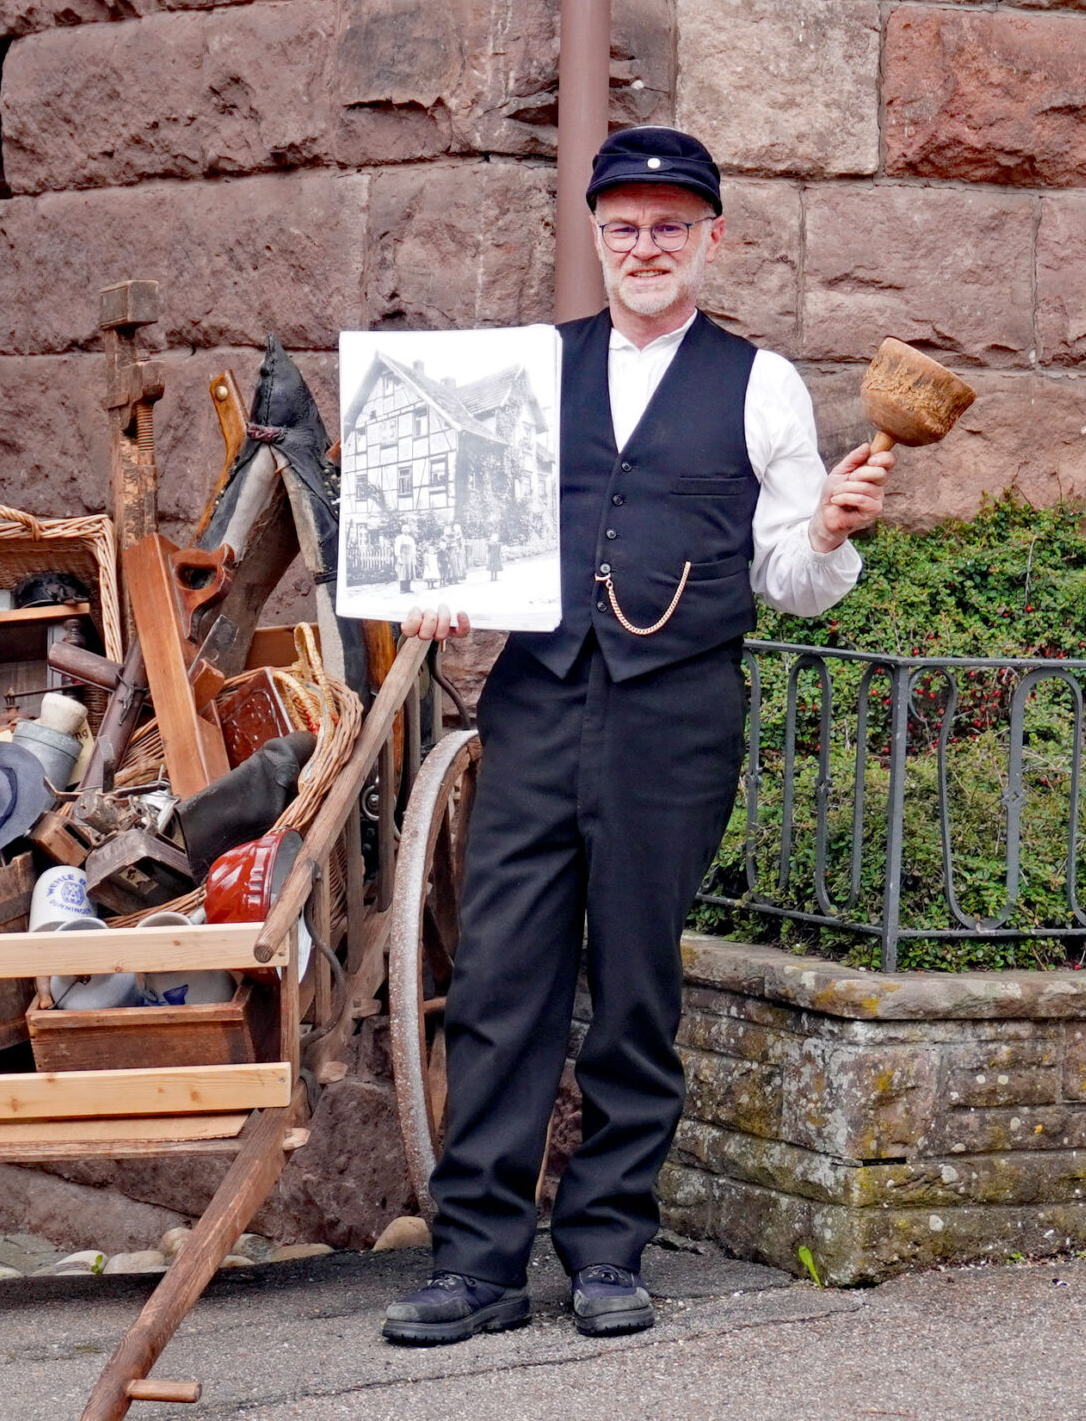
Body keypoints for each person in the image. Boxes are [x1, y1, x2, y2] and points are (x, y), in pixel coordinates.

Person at [381, 127, 892, 1347]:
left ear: (710, 239)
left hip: (675, 715)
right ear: (596, 237)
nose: (646, 245)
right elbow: (455, 534)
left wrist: (826, 526)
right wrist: (434, 583)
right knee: (501, 979)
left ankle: (609, 1247)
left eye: (672, 225)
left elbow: (787, 576)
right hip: (539, 701)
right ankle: (479, 1264)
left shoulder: (758, 383)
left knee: (632, 989)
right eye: (625, 225)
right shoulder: (523, 369)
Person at [395, 527, 417, 595]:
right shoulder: (399, 538)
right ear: (402, 530)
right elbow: (397, 547)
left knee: (409, 572)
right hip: (403, 555)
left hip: (410, 556)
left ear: (409, 530)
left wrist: (413, 557)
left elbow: (413, 548)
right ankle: (402, 589)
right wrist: (399, 557)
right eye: (404, 529)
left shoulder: (411, 539)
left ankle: (408, 588)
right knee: (403, 572)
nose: (406, 530)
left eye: (407, 529)